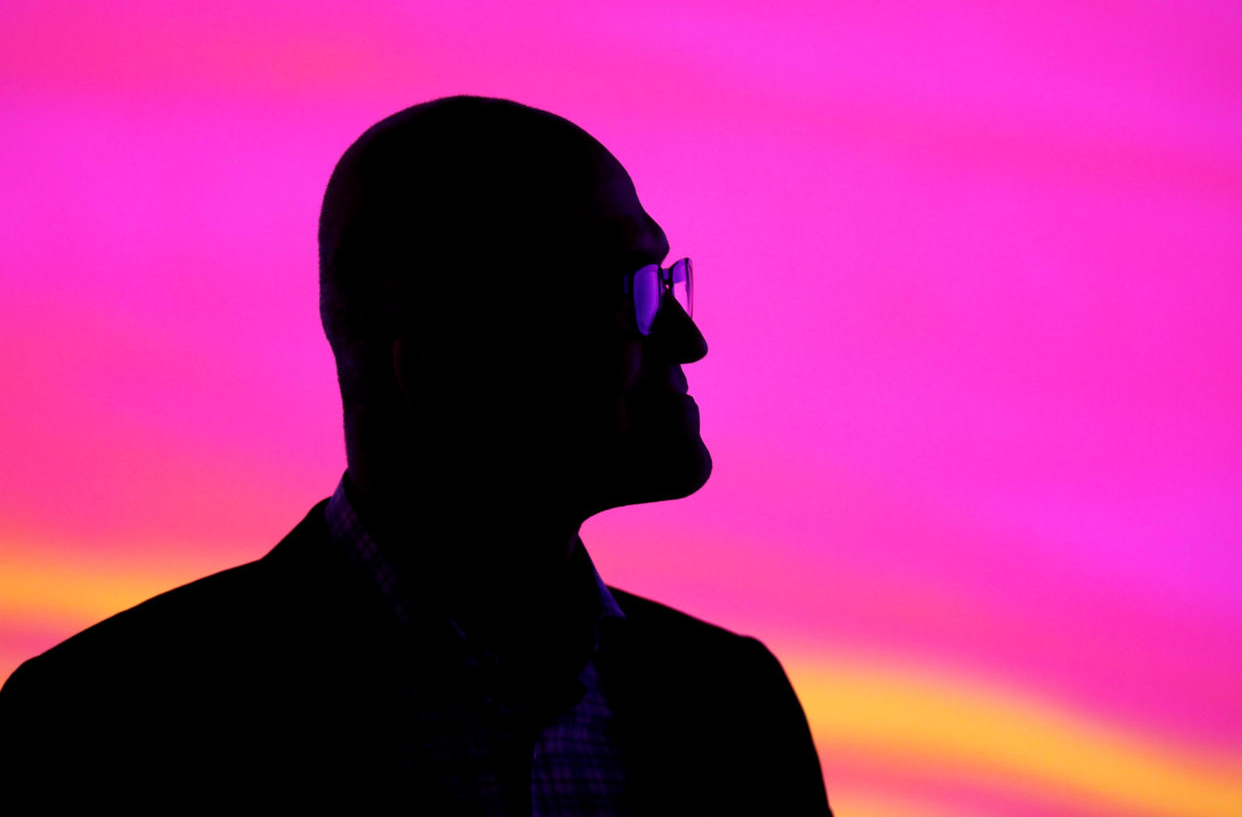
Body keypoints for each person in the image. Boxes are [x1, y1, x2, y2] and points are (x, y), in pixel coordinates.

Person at [0, 96, 831, 814]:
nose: (689, 338)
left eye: (667, 281)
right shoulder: (111, 728)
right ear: (441, 362)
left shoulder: (734, 710)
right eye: (633, 293)